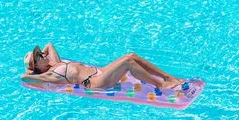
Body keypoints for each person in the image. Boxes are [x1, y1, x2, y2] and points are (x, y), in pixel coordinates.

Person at [21, 43, 184, 90]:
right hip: (95, 82)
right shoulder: (49, 75)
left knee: (131, 56)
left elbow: (49, 44)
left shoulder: (55, 63)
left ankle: (166, 77)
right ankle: (160, 85)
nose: (43, 55)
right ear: (36, 67)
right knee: (128, 63)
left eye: (40, 54)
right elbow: (24, 77)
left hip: (101, 72)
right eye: (39, 57)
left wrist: (40, 58)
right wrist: (33, 70)